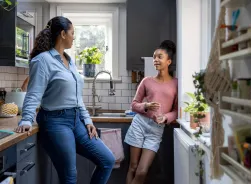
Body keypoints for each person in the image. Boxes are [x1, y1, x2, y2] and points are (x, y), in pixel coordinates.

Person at [15, 16, 115, 184]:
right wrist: (26, 118)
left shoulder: (69, 60)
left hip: (76, 120)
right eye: (72, 33)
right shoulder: (43, 60)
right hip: (55, 122)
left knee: (107, 160)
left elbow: (77, 97)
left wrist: (87, 120)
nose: (74, 37)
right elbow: (34, 93)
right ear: (63, 34)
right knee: (70, 176)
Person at [124, 40, 178, 184]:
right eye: (154, 57)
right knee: (133, 167)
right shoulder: (146, 81)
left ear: (169, 61)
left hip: (156, 130)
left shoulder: (176, 83)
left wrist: (165, 118)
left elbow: (177, 110)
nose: (155, 60)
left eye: (159, 57)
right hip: (140, 124)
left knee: (142, 172)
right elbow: (134, 105)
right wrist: (146, 105)